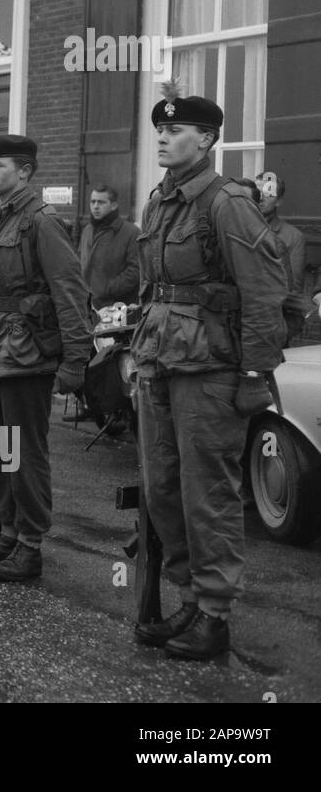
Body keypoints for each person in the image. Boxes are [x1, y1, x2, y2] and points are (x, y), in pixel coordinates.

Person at [131, 88, 287, 660]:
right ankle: (189, 598)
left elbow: (265, 294)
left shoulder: (227, 203)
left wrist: (255, 372)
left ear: (207, 140)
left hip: (211, 369)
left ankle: (215, 614)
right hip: (159, 361)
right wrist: (137, 350)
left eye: (176, 131)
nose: (163, 137)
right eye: (160, 130)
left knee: (208, 494)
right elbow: (152, 287)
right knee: (163, 488)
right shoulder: (159, 202)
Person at [0, 133, 92, 582]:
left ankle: (31, 543)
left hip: (25, 352)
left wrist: (76, 359)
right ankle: (8, 531)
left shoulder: (41, 221)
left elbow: (69, 291)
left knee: (22, 452)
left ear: (25, 172)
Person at [254, 170, 309, 346]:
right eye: (257, 192)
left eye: (268, 193)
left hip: (271, 329)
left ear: (279, 201)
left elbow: (293, 291)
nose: (260, 198)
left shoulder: (293, 237)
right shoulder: (233, 228)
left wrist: (282, 333)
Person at [78, 184, 140, 311]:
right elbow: (80, 263)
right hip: (89, 307)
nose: (95, 206)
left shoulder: (131, 232)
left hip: (118, 308)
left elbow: (135, 271)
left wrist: (106, 289)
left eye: (101, 202)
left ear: (114, 205)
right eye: (92, 202)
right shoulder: (87, 230)